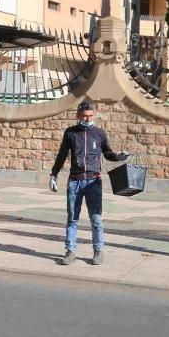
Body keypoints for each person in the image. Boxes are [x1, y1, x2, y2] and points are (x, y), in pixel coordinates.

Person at [49, 101, 129, 266]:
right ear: (78, 115)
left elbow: (107, 153)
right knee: (72, 219)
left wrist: (119, 156)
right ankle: (70, 252)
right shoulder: (70, 133)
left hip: (94, 182)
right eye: (85, 116)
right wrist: (54, 175)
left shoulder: (99, 133)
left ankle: (98, 251)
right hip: (75, 182)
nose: (88, 119)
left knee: (96, 219)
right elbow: (62, 154)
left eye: (91, 116)